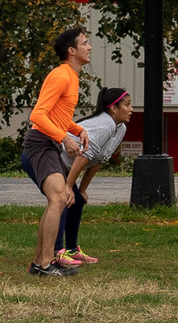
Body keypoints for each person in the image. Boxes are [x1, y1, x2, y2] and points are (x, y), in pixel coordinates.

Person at [23, 26, 89, 280]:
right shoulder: (61, 75)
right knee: (59, 198)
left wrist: (77, 129)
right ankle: (45, 263)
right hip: (41, 142)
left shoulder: (71, 76)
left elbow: (57, 115)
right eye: (84, 43)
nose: (89, 47)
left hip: (48, 142)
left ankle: (39, 263)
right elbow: (38, 115)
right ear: (71, 51)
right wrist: (64, 137)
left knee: (59, 199)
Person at [53, 87, 133, 271]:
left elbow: (99, 158)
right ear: (114, 108)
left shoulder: (120, 128)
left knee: (77, 200)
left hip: (66, 167)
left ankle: (72, 250)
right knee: (63, 200)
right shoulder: (104, 125)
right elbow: (84, 155)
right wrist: (68, 186)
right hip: (53, 159)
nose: (131, 109)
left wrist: (81, 189)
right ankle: (57, 252)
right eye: (127, 105)